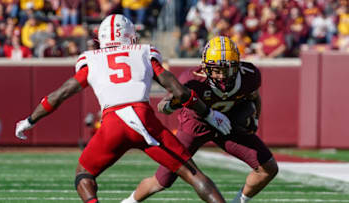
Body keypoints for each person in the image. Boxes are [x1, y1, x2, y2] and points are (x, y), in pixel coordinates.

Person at [15, 14, 232, 203]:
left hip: (112, 124)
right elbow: (181, 92)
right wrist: (210, 115)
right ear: (129, 36)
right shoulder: (144, 52)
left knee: (84, 174)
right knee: (193, 174)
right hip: (144, 121)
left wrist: (29, 121)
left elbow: (59, 94)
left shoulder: (91, 60)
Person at [121, 36, 279, 203]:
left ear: (237, 66)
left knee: (268, 168)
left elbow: (254, 97)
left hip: (228, 125)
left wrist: (255, 119)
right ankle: (129, 201)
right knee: (162, 180)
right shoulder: (194, 79)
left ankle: (238, 201)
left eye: (227, 69)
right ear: (205, 67)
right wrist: (171, 104)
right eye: (216, 70)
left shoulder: (250, 76)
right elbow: (163, 105)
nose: (221, 75)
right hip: (195, 125)